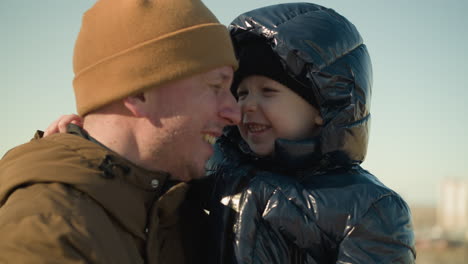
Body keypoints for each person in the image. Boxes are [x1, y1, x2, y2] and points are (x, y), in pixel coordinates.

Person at [0, 0, 240, 263]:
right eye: (216, 86)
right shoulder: (49, 234)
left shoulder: (173, 214)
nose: (234, 112)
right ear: (138, 94)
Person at [204, 3, 416, 263]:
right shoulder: (216, 168)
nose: (247, 105)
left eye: (268, 91)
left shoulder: (366, 209)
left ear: (322, 107)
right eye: (241, 93)